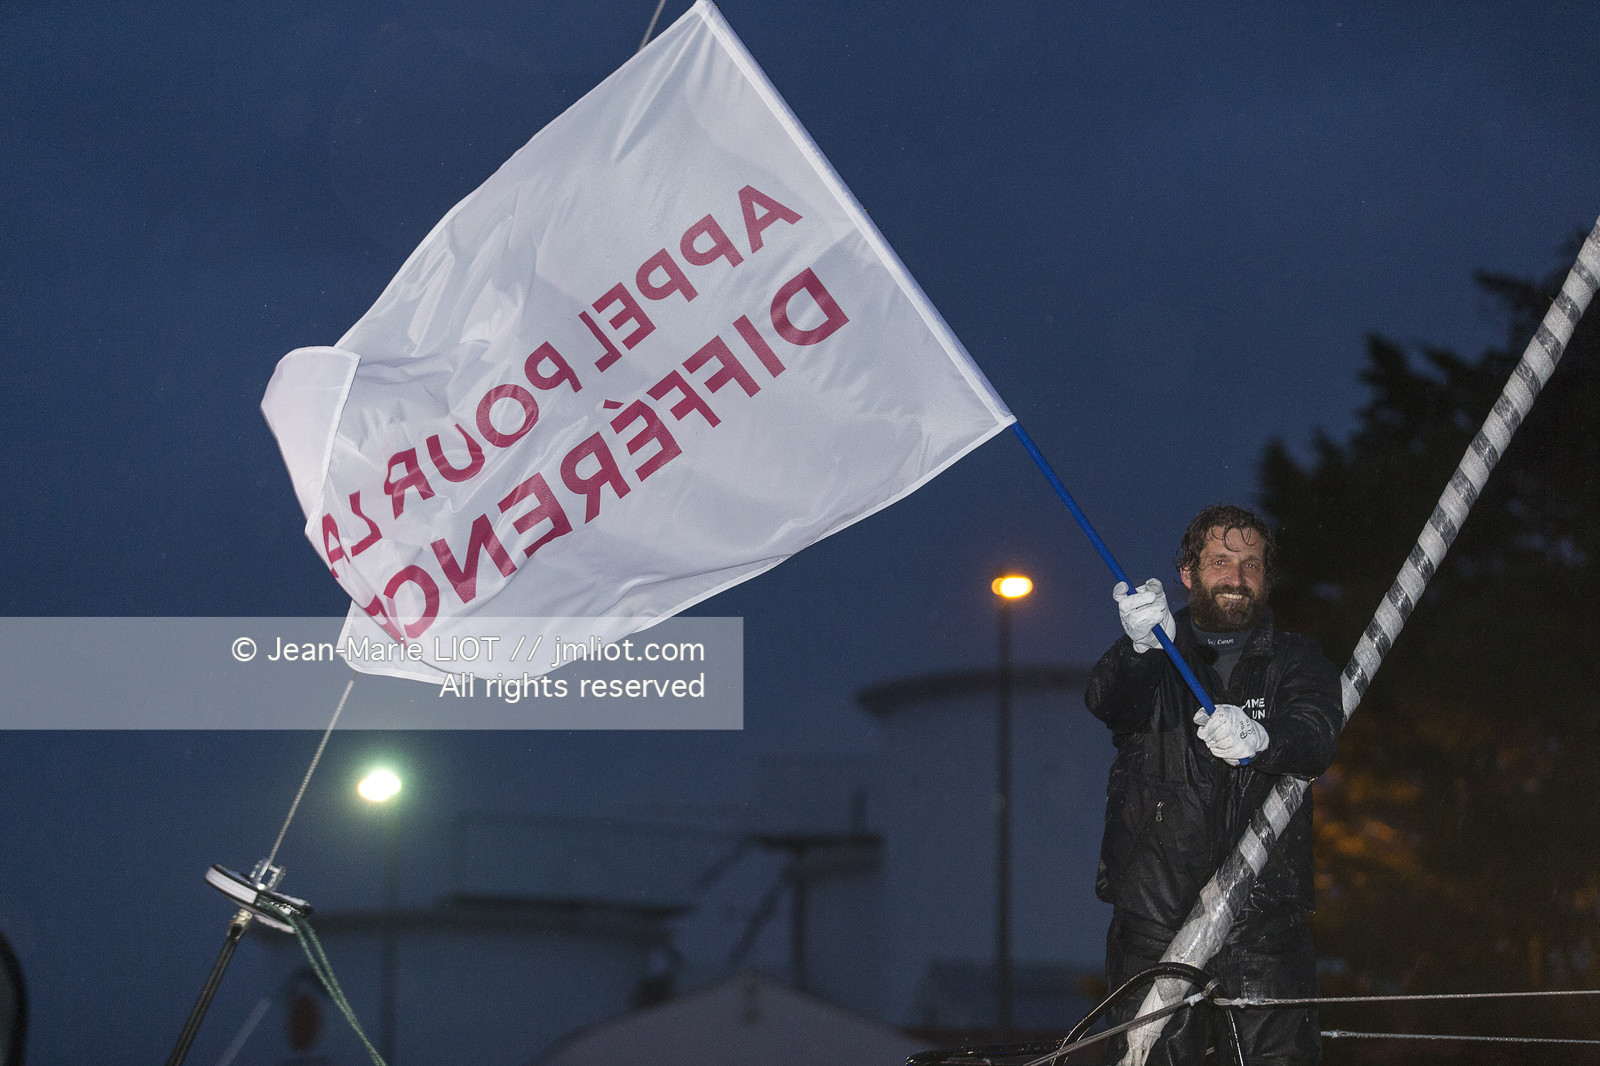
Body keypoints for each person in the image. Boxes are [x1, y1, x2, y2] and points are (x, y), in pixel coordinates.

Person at [1085, 504, 1342, 1066]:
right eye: (1221, 561)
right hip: (1154, 919)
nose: (1237, 577)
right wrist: (1138, 647)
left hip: (1265, 923)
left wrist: (1262, 738)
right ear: (1187, 573)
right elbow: (1107, 701)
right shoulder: (1157, 654)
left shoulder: (1298, 659)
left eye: (1251, 564)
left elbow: (1317, 734)